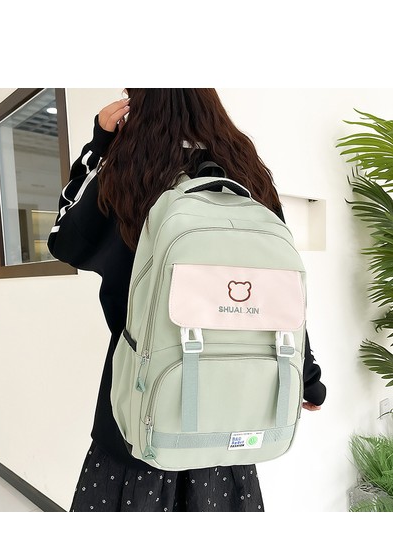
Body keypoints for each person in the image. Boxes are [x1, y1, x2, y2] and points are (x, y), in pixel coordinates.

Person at [48, 88, 326, 512]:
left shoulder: (126, 170)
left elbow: (64, 241)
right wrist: (307, 376)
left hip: (139, 407)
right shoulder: (245, 172)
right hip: (234, 408)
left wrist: (99, 144)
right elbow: (277, 289)